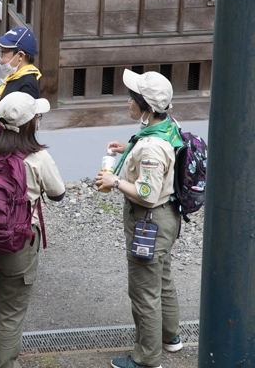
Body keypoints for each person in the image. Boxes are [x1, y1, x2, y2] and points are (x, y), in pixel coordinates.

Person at [0, 92, 65, 368]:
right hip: (20, 241)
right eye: (37, 117)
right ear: (32, 124)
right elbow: (58, 193)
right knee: (11, 312)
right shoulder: (38, 157)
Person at [95, 70, 184, 368]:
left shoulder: (151, 148)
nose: (127, 102)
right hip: (168, 216)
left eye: (132, 98)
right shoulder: (166, 126)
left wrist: (114, 181)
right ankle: (169, 337)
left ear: (145, 106)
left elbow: (146, 192)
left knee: (144, 291)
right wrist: (128, 150)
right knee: (162, 278)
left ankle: (146, 358)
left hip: (149, 221)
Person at [0, 27, 41, 133]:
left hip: (10, 148)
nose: (0, 58)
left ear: (20, 55)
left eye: (4, 52)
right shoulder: (14, 77)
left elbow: (23, 127)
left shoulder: (28, 84)